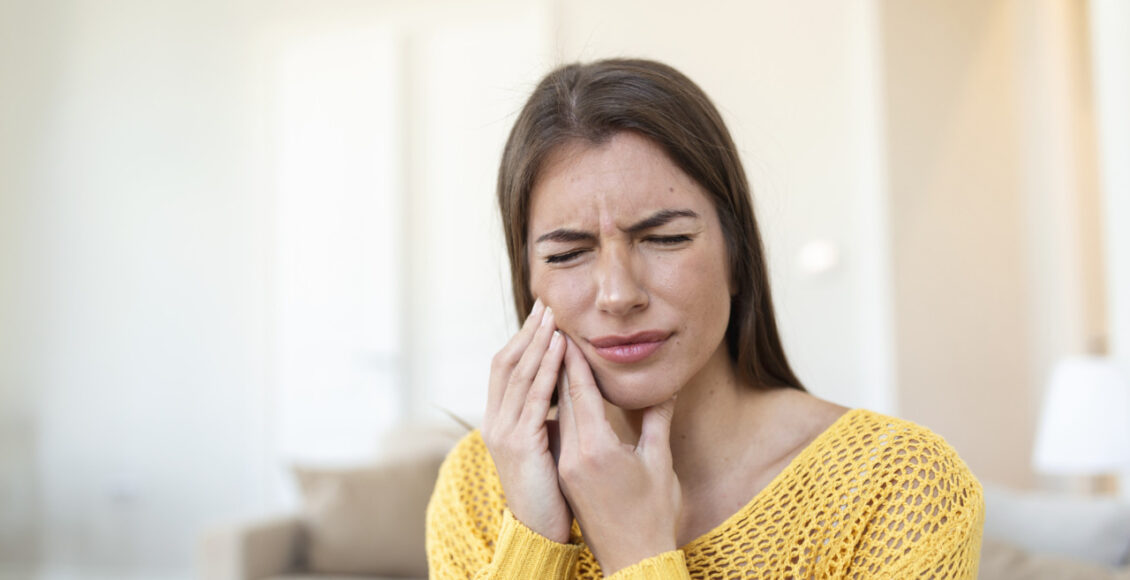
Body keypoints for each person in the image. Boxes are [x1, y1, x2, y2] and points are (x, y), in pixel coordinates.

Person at [426, 58, 984, 579]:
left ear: (737, 259)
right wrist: (533, 540)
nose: (618, 295)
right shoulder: (479, 484)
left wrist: (637, 551)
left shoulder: (902, 485)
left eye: (665, 239)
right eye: (568, 253)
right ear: (530, 281)